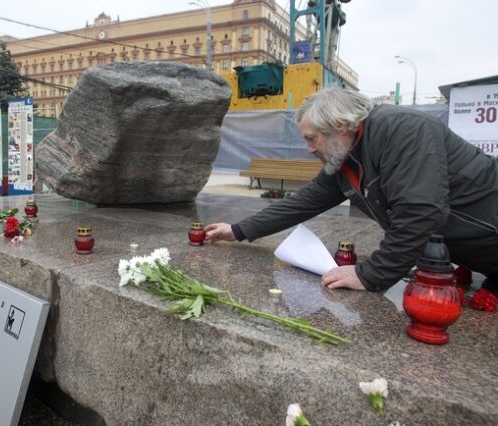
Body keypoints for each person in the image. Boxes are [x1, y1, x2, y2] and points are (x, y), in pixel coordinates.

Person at [205, 88, 498, 294]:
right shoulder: (346, 156)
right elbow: (303, 202)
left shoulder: (404, 130)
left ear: (341, 125)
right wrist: (238, 230)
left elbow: (420, 212)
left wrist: (371, 274)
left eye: (312, 139)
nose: (309, 149)